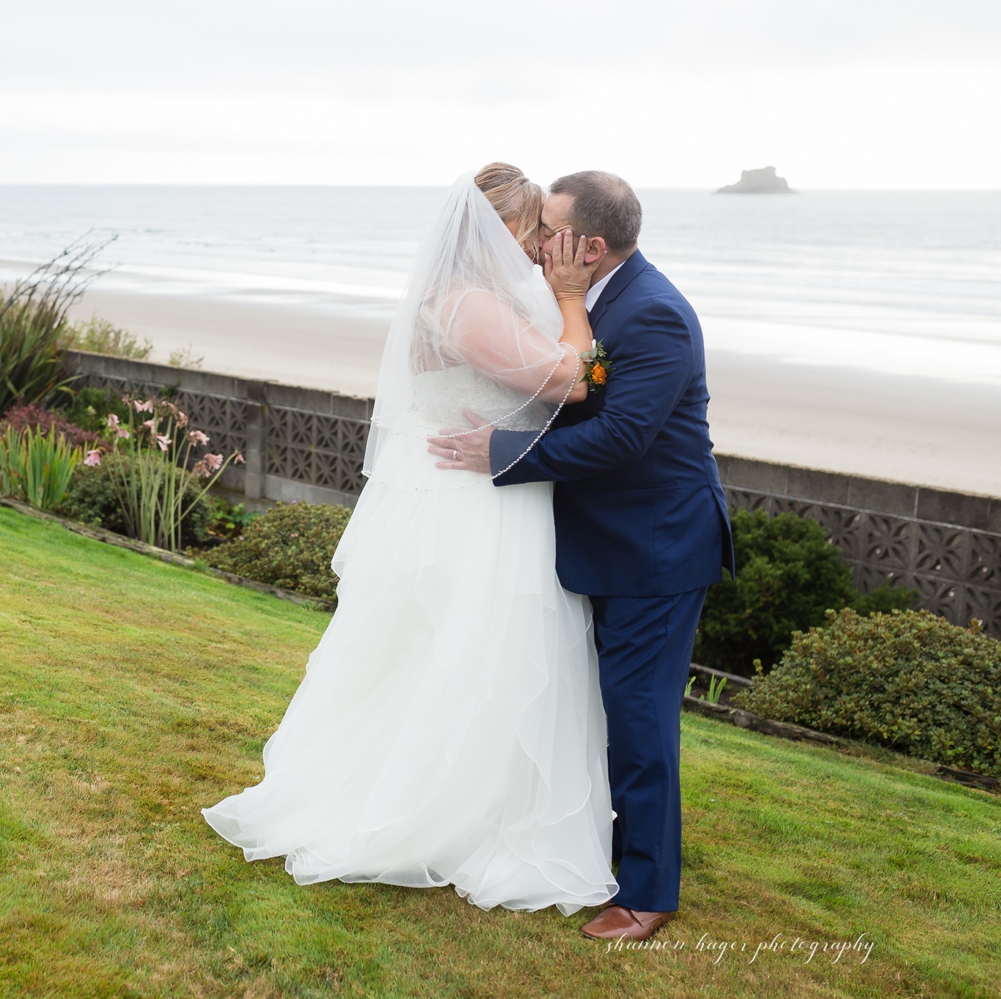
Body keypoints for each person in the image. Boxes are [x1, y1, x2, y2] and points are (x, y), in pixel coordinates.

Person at [202, 164, 619, 915]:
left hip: (475, 493)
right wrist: (569, 300)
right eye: (533, 232)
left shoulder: (471, 298)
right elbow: (572, 380)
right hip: (472, 508)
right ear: (502, 232)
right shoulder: (466, 306)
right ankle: (439, 811)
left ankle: (480, 796)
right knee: (465, 649)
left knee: (456, 651)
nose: (541, 248)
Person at [427, 170, 734, 941]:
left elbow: (623, 435)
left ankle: (648, 893)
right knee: (603, 709)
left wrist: (501, 447)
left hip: (655, 549)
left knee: (638, 715)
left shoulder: (655, 313)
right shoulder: (583, 298)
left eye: (551, 233)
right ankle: (605, 843)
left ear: (590, 247)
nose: (537, 248)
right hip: (603, 540)